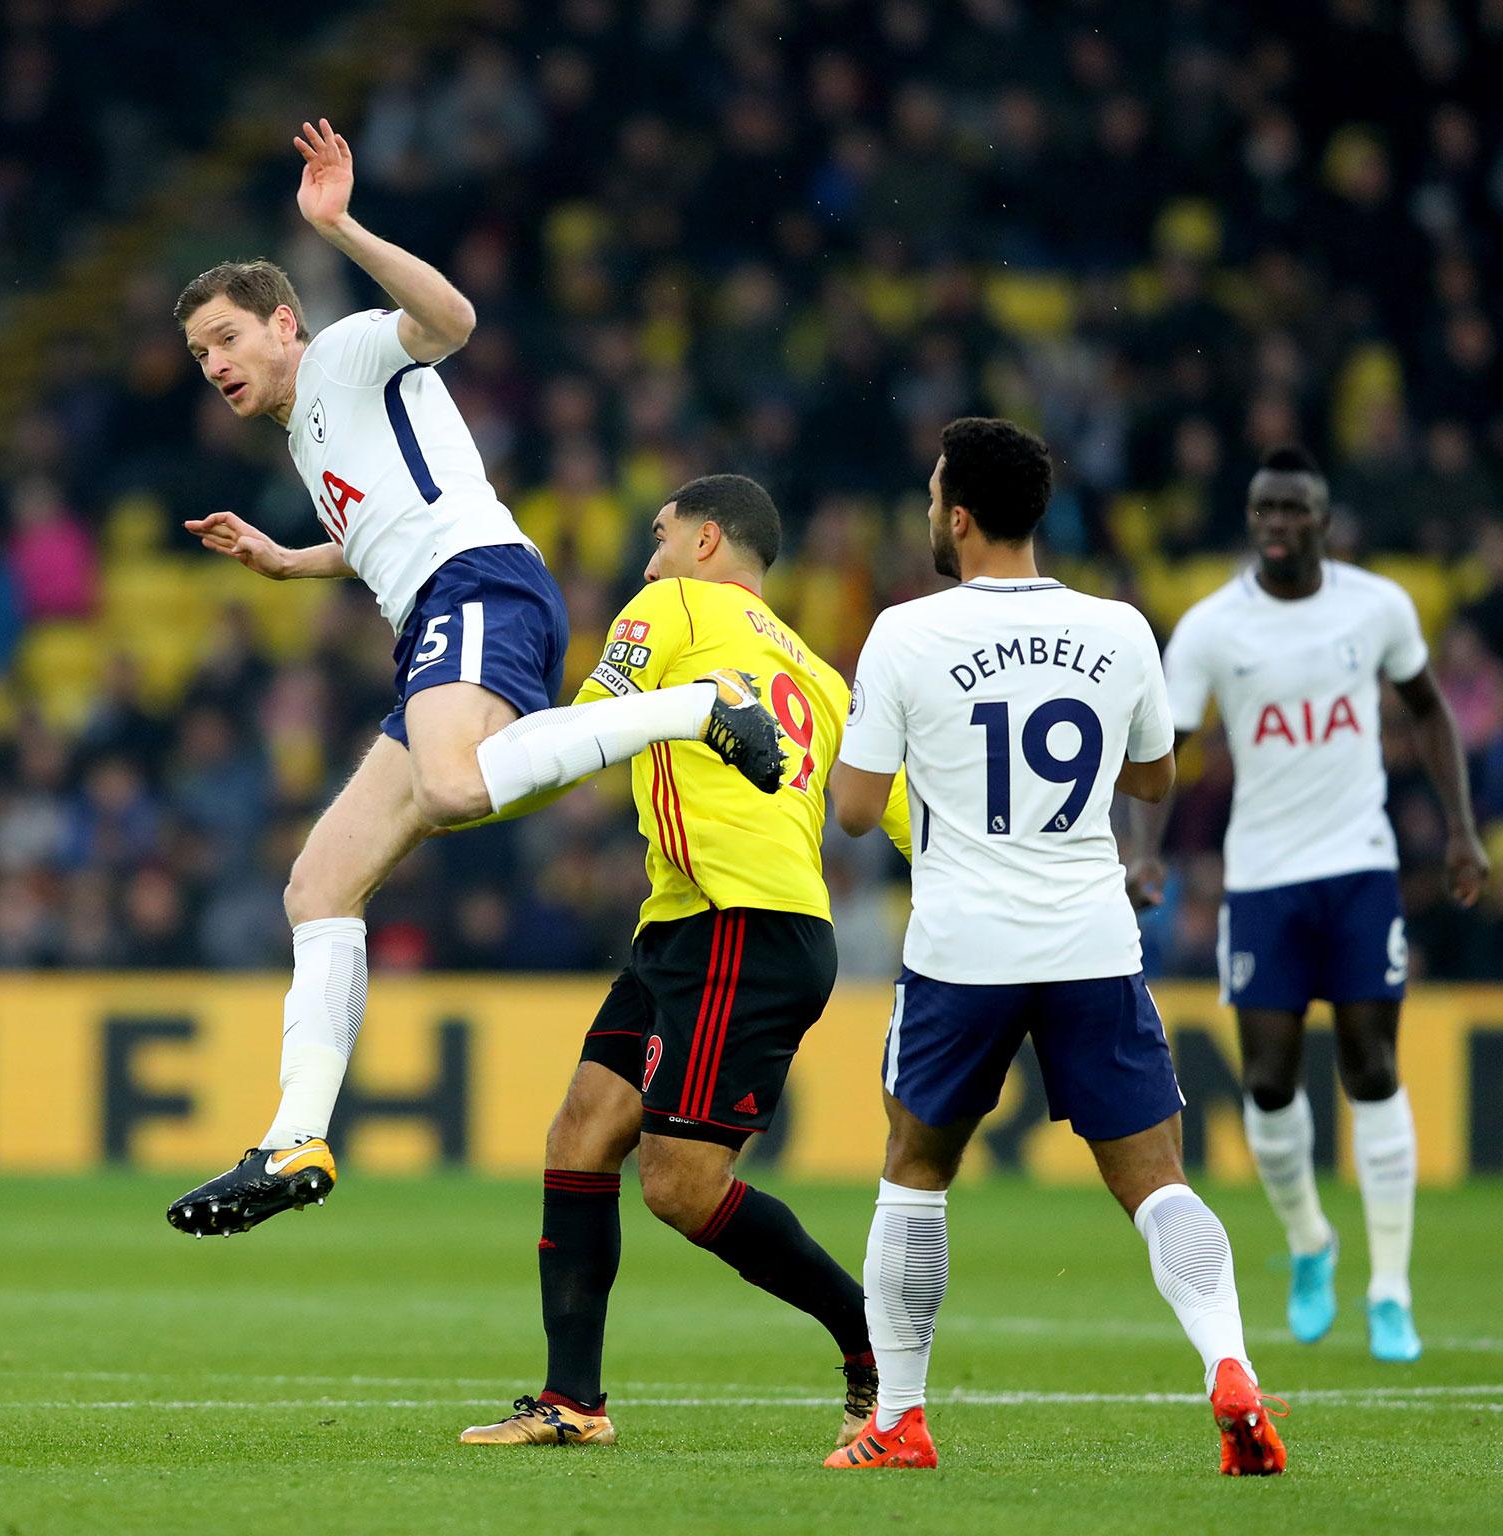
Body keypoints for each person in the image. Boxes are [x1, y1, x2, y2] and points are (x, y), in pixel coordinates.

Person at [165, 122, 782, 1237]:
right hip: (431, 619)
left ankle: (700, 708)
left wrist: (336, 226)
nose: (212, 365)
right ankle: (292, 1136)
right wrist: (282, 557)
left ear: (281, 323)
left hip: (479, 589)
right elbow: (373, 541)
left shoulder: (348, 351)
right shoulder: (308, 432)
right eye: (198, 352)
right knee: (317, 885)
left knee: (452, 787)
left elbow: (454, 322)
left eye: (224, 338)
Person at [827, 418, 1286, 1475]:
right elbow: (1155, 777)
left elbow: (854, 812)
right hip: (1089, 940)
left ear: (957, 516)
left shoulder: (905, 633)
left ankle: (898, 1419)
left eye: (933, 494)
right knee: (1157, 1182)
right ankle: (1228, 1365)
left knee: (913, 1171)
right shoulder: (1119, 629)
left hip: (960, 952)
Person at [458, 475, 912, 1450]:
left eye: (659, 536)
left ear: (706, 543)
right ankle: (570, 1402)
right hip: (691, 925)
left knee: (677, 1185)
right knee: (579, 1132)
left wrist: (483, 765)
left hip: (737, 928)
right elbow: (906, 817)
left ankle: (874, 1344)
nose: (647, 555)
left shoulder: (667, 604)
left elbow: (586, 726)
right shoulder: (819, 677)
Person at [1125, 445, 1490, 1363]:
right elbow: (1163, 745)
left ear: (1324, 520)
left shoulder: (1378, 607)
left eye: (1295, 509)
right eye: (1264, 510)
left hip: (1360, 866)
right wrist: (1144, 850)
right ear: (1252, 520)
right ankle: (1310, 1244)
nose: (1279, 524)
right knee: (1270, 1080)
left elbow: (1429, 711)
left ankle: (1393, 1290)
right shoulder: (1212, 628)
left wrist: (1460, 829)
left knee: (1372, 1068)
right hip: (1262, 879)